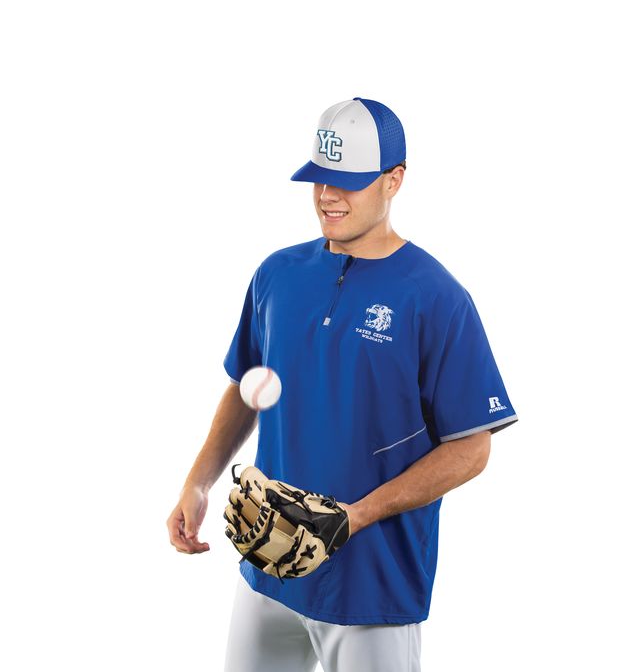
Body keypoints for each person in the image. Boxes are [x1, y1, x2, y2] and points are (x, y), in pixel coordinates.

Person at [166, 97, 519, 672]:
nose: (327, 196)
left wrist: (352, 518)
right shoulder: (276, 274)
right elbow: (248, 385)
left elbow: (472, 448)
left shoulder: (437, 298)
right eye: (319, 179)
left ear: (393, 181)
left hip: (371, 589)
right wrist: (199, 482)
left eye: (348, 182)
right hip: (269, 568)